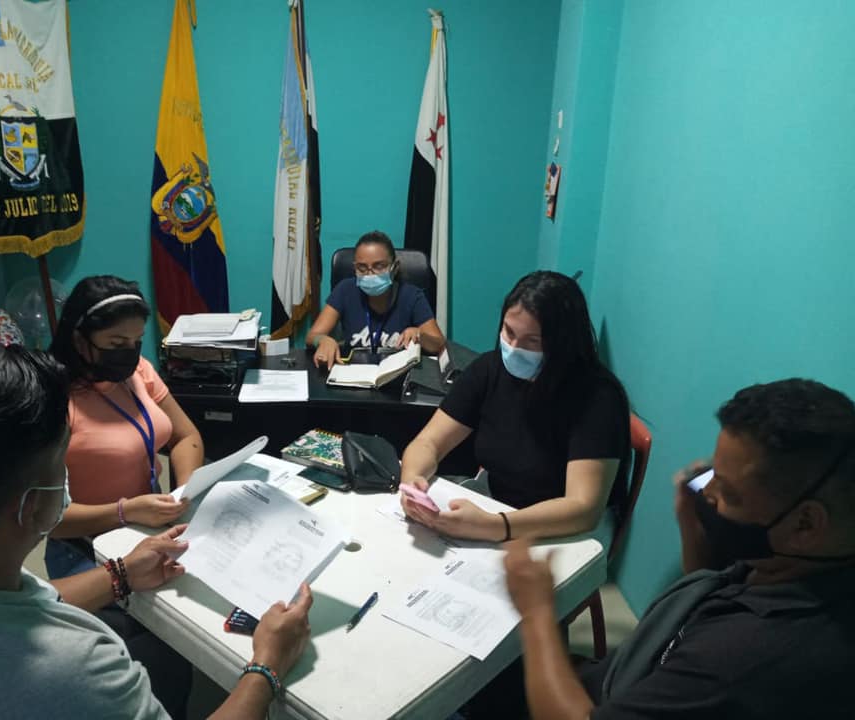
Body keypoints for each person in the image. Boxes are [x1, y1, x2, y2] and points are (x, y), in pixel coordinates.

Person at [0, 346, 313, 720]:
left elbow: (3, 607)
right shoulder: (73, 666)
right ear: (31, 507)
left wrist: (121, 573)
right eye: (62, 466)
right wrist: (267, 666)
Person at [505, 378, 855, 719]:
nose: (707, 492)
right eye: (712, 473)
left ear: (805, 524)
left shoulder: (743, 658)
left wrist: (538, 612)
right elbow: (708, 596)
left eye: (728, 492)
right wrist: (694, 529)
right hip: (630, 675)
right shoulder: (792, 563)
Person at [400, 271, 630, 545]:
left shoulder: (597, 397)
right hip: (498, 502)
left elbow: (583, 508)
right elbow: (429, 442)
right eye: (509, 332)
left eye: (532, 341)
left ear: (563, 342)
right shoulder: (489, 369)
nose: (514, 348)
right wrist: (412, 482)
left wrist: (495, 527)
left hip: (565, 526)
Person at [46, 275, 204, 579]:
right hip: (86, 545)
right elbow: (46, 518)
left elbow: (187, 436)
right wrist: (124, 511)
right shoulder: (53, 398)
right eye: (117, 343)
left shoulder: (138, 370)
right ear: (79, 340)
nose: (130, 352)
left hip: (148, 525)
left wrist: (185, 490)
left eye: (137, 341)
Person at [307, 230, 445, 369]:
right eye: (362, 268)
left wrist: (420, 335)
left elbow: (438, 343)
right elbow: (312, 335)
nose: (370, 274)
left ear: (395, 267)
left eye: (379, 266)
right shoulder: (345, 290)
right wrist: (322, 340)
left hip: (399, 373)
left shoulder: (412, 296)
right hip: (354, 372)